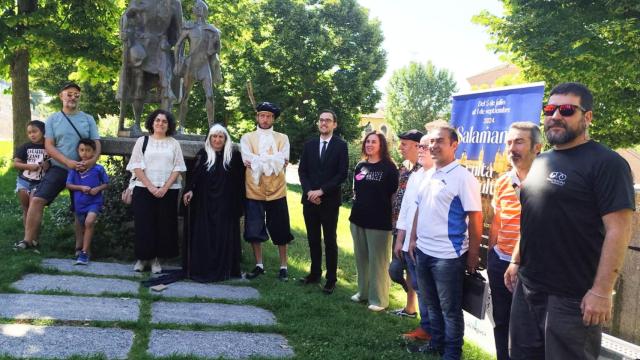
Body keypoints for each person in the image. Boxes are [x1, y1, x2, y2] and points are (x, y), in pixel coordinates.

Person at [507, 82, 635, 360]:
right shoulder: (541, 161)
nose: (555, 116)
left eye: (566, 110)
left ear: (587, 117)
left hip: (572, 298)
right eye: (550, 109)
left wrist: (602, 291)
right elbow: (533, 216)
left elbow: (620, 229)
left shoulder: (607, 163)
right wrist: (516, 260)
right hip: (528, 286)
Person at [408, 124, 482, 359]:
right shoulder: (428, 175)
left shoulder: (463, 177)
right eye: (432, 142)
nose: (434, 146)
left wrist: (472, 255)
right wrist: (412, 238)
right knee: (431, 305)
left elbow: (475, 217)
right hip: (423, 251)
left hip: (448, 257)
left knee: (450, 310)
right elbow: (419, 209)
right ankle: (435, 344)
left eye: (440, 141)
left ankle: (452, 353)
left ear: (454, 145)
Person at [15, 82, 100, 250]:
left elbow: (96, 143)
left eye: (76, 94)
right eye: (69, 94)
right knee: (38, 199)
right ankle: (27, 240)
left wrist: (91, 162)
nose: (73, 97)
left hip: (82, 171)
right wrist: (67, 161)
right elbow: (49, 145)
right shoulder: (53, 119)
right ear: (61, 96)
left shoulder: (88, 119)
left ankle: (80, 247)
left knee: (80, 209)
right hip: (58, 168)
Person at [487, 122, 541, 360]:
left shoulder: (546, 183)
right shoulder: (502, 182)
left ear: (537, 147)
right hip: (500, 261)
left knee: (528, 332)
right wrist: (491, 254)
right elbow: (498, 221)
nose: (512, 148)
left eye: (519, 142)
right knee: (501, 322)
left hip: (530, 267)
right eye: (509, 142)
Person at [182, 124, 245, 282]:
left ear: (225, 139)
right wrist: (189, 190)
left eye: (220, 137)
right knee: (205, 235)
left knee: (223, 236)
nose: (217, 140)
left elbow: (240, 183)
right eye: (214, 137)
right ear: (209, 139)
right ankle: (203, 266)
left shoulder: (234, 157)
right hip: (204, 204)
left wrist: (238, 205)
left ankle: (224, 268)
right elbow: (193, 178)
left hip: (225, 205)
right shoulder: (203, 155)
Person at [126, 109, 186, 273]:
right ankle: (142, 258)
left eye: (164, 121)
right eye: (157, 120)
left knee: (163, 226)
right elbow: (136, 165)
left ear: (169, 125)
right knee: (144, 225)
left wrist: (164, 187)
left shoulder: (174, 143)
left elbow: (178, 167)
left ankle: (155, 261)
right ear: (152, 123)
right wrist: (151, 187)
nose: (160, 123)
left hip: (168, 191)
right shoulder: (142, 141)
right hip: (143, 189)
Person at [240, 102, 294, 281]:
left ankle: (283, 267)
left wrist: (259, 161)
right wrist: (272, 160)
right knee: (254, 228)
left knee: (281, 229)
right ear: (257, 117)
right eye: (262, 115)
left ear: (273, 119)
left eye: (269, 116)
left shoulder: (282, 138)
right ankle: (259, 265)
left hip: (277, 190)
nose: (265, 119)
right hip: (254, 190)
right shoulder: (247, 138)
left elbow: (283, 160)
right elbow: (248, 159)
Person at [298, 109, 349, 294]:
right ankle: (314, 274)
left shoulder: (341, 146)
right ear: (318, 123)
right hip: (310, 200)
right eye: (321, 120)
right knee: (312, 239)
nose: (324, 123)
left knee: (329, 240)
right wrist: (310, 192)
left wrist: (321, 191)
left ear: (334, 124)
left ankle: (331, 279)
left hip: (329, 202)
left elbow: (341, 174)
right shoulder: (309, 145)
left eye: (328, 120)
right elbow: (302, 171)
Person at [349, 131, 399, 312]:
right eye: (367, 141)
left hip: (379, 222)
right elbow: (357, 191)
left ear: (381, 145)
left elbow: (394, 195)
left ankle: (379, 300)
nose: (369, 144)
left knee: (378, 261)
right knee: (361, 259)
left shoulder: (389, 168)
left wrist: (394, 219)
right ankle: (362, 293)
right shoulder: (360, 166)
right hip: (357, 219)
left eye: (374, 142)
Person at [397, 133, 435, 342]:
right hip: (409, 243)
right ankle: (426, 327)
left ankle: (432, 330)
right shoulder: (416, 175)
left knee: (428, 290)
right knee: (419, 287)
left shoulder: (438, 176)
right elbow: (406, 209)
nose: (420, 150)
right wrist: (400, 238)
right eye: (419, 147)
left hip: (427, 244)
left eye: (425, 147)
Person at [389, 129, 423, 317]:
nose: (400, 147)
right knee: (395, 270)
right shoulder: (403, 167)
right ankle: (408, 297)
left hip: (413, 229)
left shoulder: (424, 169)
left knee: (411, 270)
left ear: (417, 146)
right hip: (398, 226)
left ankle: (411, 308)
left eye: (404, 144)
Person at [174, 0, 222, 131]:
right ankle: (181, 126)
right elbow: (178, 45)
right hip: (190, 66)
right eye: (197, 7)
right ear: (194, 11)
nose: (199, 9)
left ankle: (211, 126)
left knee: (210, 96)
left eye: (202, 7)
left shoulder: (211, 30)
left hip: (204, 66)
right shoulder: (189, 28)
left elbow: (216, 50)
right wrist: (177, 62)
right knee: (185, 97)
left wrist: (216, 40)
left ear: (205, 11)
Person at [65, 139, 109, 265]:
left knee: (89, 222)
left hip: (94, 202)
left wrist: (97, 189)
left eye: (88, 150)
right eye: (82, 150)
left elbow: (106, 184)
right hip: (80, 204)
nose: (84, 153)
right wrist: (81, 188)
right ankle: (86, 249)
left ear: (94, 152)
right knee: (83, 225)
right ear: (78, 151)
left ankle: (83, 253)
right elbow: (68, 185)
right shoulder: (74, 169)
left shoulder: (98, 169)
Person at [13, 120, 48, 227]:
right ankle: (27, 237)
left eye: (35, 131)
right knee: (26, 209)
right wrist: (28, 166)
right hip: (24, 181)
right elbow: (15, 164)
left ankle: (35, 238)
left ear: (43, 131)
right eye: (29, 133)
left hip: (39, 183)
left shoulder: (49, 146)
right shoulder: (25, 147)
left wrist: (48, 166)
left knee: (35, 209)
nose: (32, 135)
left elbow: (53, 161)